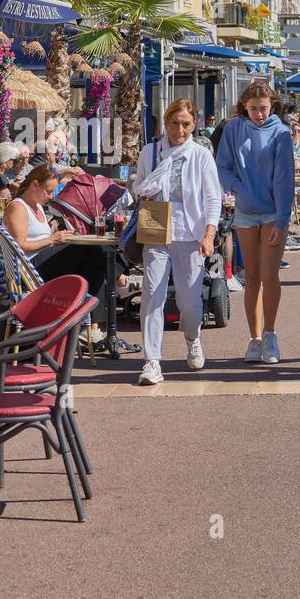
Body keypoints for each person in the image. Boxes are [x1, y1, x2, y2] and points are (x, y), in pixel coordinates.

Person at [132, 98, 221, 385]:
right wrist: (146, 190)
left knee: (190, 302)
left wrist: (209, 234)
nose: (179, 130)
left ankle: (193, 337)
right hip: (157, 231)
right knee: (152, 296)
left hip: (190, 234)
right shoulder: (150, 153)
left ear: (194, 125)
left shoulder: (200, 155)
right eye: (174, 123)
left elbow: (212, 197)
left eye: (186, 124)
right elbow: (138, 187)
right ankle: (152, 361)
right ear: (165, 122)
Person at [216, 80, 295, 364]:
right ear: (245, 107)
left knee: (270, 275)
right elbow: (221, 165)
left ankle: (271, 334)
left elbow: (285, 180)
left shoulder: (281, 133)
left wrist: (283, 220)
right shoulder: (234, 129)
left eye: (263, 109)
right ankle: (255, 338)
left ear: (272, 105)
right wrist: (236, 186)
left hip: (274, 213)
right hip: (246, 211)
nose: (258, 114)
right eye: (253, 109)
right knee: (252, 277)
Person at [3, 166, 124, 347]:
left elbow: (37, 238)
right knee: (87, 249)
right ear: (35, 185)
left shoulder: (36, 206)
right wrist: (52, 240)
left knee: (94, 267)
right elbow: (20, 245)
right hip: (29, 270)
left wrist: (54, 235)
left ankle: (92, 328)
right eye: (48, 191)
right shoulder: (18, 207)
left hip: (40, 262)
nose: (51, 196)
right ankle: (120, 276)